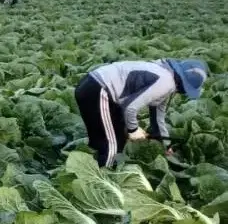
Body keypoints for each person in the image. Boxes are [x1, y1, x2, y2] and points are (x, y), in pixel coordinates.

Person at [74, 58, 208, 168]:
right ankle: (103, 180)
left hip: (95, 86)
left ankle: (89, 166)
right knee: (110, 145)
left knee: (116, 137)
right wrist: (134, 130)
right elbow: (130, 108)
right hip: (99, 89)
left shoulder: (166, 77)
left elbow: (158, 120)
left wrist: (167, 146)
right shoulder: (166, 82)